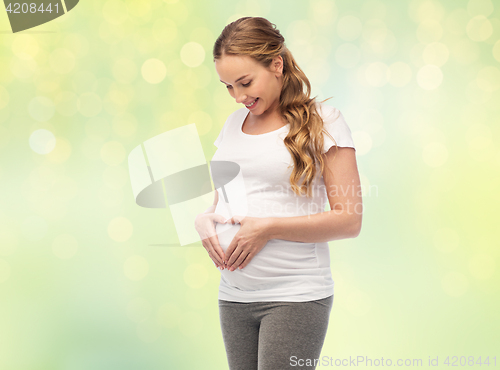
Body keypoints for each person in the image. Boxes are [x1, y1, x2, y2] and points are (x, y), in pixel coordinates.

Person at [194, 16, 363, 370]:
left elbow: (349, 220)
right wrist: (203, 220)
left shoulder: (325, 122)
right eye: (227, 86)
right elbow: (221, 197)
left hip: (295, 295)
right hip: (233, 295)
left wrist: (267, 228)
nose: (238, 97)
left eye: (245, 82)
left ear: (276, 64)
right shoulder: (231, 126)